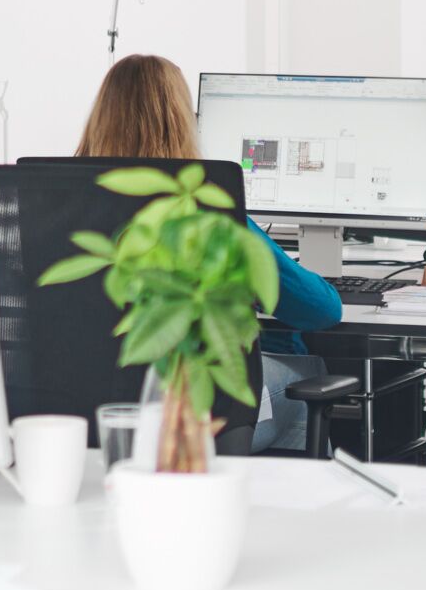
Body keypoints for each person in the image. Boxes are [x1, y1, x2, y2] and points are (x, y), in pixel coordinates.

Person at [73, 53, 342, 448]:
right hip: (195, 417)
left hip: (89, 412)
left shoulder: (64, 207)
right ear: (182, 122)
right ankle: (287, 500)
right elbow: (322, 309)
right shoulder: (207, 209)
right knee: (306, 372)